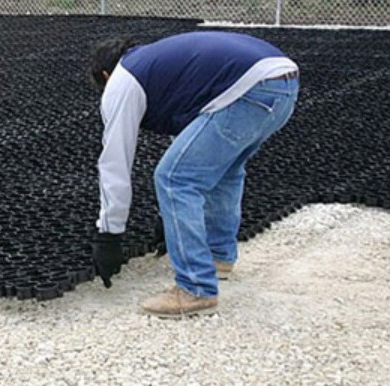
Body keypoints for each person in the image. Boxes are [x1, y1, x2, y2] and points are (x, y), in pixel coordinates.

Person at [89, 31, 299, 319]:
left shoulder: (122, 80)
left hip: (249, 90)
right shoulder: (159, 65)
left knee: (174, 178)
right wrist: (170, 219)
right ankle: (218, 257)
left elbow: (115, 162)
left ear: (104, 74)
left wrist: (109, 233)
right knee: (225, 171)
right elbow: (191, 139)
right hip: (283, 84)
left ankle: (195, 288)